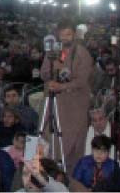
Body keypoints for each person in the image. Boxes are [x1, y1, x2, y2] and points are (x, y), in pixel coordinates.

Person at [40, 19, 93, 174]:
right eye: (62, 35)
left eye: (68, 34)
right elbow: (43, 73)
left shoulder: (83, 53)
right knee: (50, 137)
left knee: (72, 143)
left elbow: (82, 81)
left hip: (75, 105)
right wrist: (52, 69)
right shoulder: (53, 51)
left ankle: (69, 178)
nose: (65, 38)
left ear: (74, 34)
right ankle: (48, 172)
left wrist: (62, 86)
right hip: (53, 102)